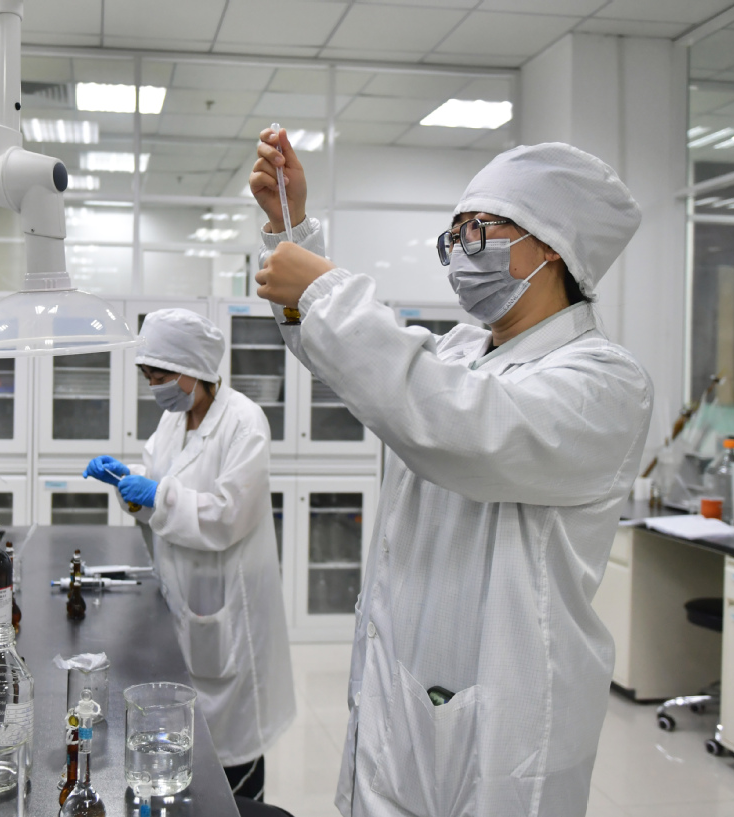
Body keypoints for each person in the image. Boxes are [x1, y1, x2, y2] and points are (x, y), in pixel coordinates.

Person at [250, 133, 653, 817]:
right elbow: (357, 364)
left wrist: (323, 287)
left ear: (551, 242)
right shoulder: (467, 351)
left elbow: (460, 425)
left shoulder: (603, 380)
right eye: (454, 233)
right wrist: (289, 229)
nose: (462, 248)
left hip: (505, 716)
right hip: (406, 687)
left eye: (480, 229)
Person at [83, 308, 295, 802]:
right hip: (184, 595)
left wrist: (157, 495)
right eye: (147, 375)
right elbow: (159, 488)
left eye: (161, 375)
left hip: (229, 609)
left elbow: (226, 515)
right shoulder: (173, 420)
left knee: (235, 753)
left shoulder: (244, 422)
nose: (154, 385)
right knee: (193, 750)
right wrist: (129, 486)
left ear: (195, 369)